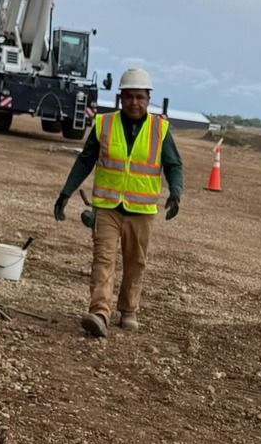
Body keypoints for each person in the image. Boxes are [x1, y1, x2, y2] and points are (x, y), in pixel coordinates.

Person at [53, 68, 183, 337]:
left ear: (148, 99)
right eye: (129, 97)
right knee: (103, 259)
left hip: (142, 210)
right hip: (108, 206)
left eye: (140, 97)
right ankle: (100, 311)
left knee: (135, 261)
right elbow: (85, 160)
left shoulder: (160, 129)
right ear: (120, 98)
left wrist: (176, 193)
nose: (134, 103)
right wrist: (66, 192)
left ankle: (129, 309)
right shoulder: (104, 124)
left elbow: (173, 165)